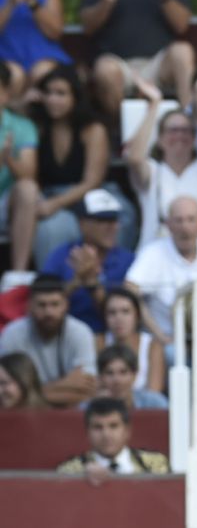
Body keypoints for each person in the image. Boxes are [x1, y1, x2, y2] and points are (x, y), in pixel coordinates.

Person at [25, 65, 116, 268]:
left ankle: (109, 276)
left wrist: (55, 204)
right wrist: (24, 104)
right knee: (52, 227)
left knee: (119, 215)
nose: (52, 100)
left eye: (61, 94)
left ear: (76, 97)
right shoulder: (37, 126)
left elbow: (92, 181)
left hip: (88, 195)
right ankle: (52, 287)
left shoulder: (93, 129)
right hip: (49, 194)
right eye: (47, 93)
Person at [125, 78, 197, 251]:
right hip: (157, 263)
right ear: (160, 139)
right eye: (172, 130)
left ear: (195, 138)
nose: (179, 135)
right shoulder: (153, 171)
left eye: (186, 130)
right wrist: (155, 105)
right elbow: (134, 157)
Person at [126, 196, 197, 330]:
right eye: (178, 220)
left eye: (191, 220)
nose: (185, 227)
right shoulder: (152, 252)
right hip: (165, 342)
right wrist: (160, 337)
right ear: (168, 224)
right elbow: (130, 289)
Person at [42, 189, 134, 330]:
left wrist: (92, 282)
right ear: (82, 223)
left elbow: (124, 316)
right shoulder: (60, 256)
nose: (112, 227)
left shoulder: (129, 260)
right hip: (64, 338)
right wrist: (77, 280)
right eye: (103, 220)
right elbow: (43, 307)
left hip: (112, 341)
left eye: (114, 220)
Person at [0, 277, 96, 406]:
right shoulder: (12, 333)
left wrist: (30, 393)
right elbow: (9, 393)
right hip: (24, 414)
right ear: (29, 306)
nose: (48, 312)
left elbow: (86, 390)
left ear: (66, 305)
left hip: (71, 413)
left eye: (55, 304)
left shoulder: (81, 332)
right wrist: (66, 383)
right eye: (41, 305)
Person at [55, 397, 169, 479]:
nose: (106, 434)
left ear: (127, 431)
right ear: (87, 433)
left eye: (113, 426)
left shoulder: (155, 465)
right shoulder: (70, 471)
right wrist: (82, 479)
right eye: (97, 427)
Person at [0, 59, 40, 272]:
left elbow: (29, 175)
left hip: (6, 204)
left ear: (6, 93)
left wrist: (7, 158)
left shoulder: (22, 126)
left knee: (27, 189)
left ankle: (18, 274)